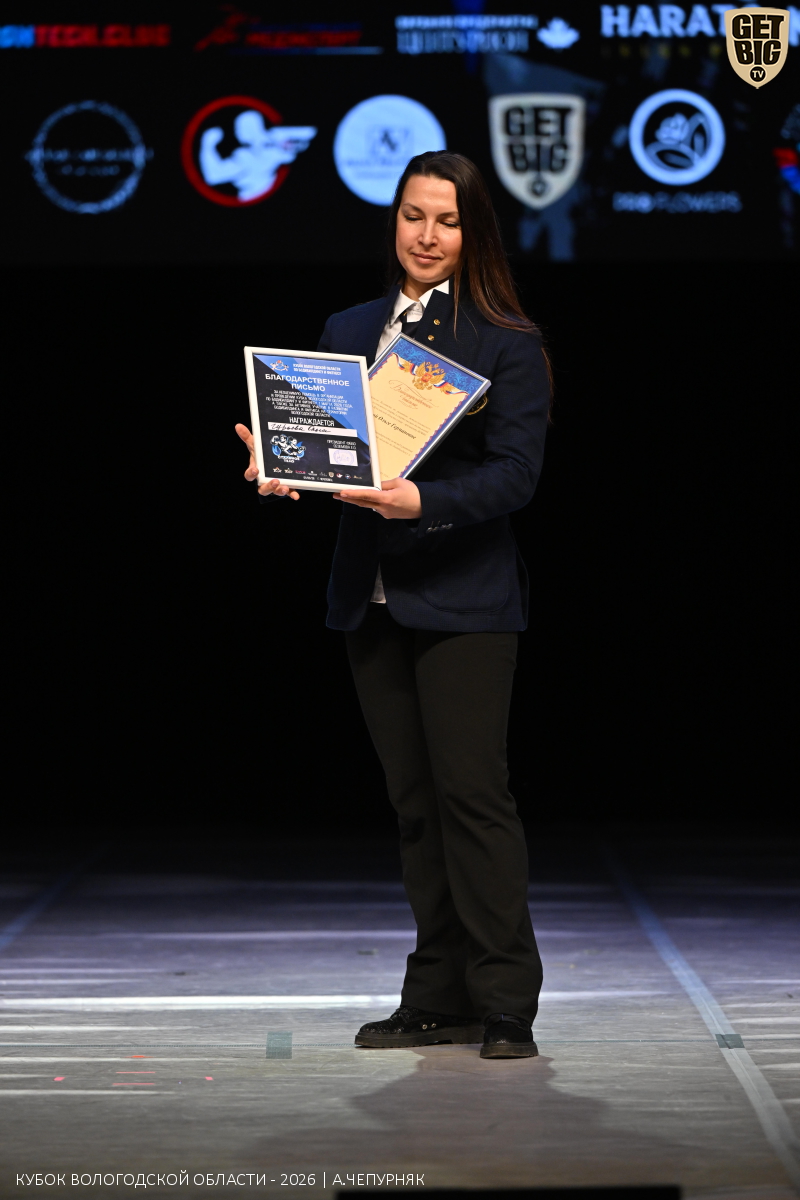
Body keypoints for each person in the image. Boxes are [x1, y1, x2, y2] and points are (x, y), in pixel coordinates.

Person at [235, 151, 550, 1059]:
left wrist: (425, 502)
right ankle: (437, 995)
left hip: (465, 598)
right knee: (415, 804)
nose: (427, 235)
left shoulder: (503, 339)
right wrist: (282, 467)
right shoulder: (349, 328)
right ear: (394, 221)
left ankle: (504, 1001)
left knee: (472, 797)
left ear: (473, 233)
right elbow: (331, 452)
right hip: (369, 598)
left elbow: (517, 475)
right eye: (414, 216)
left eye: (447, 221)